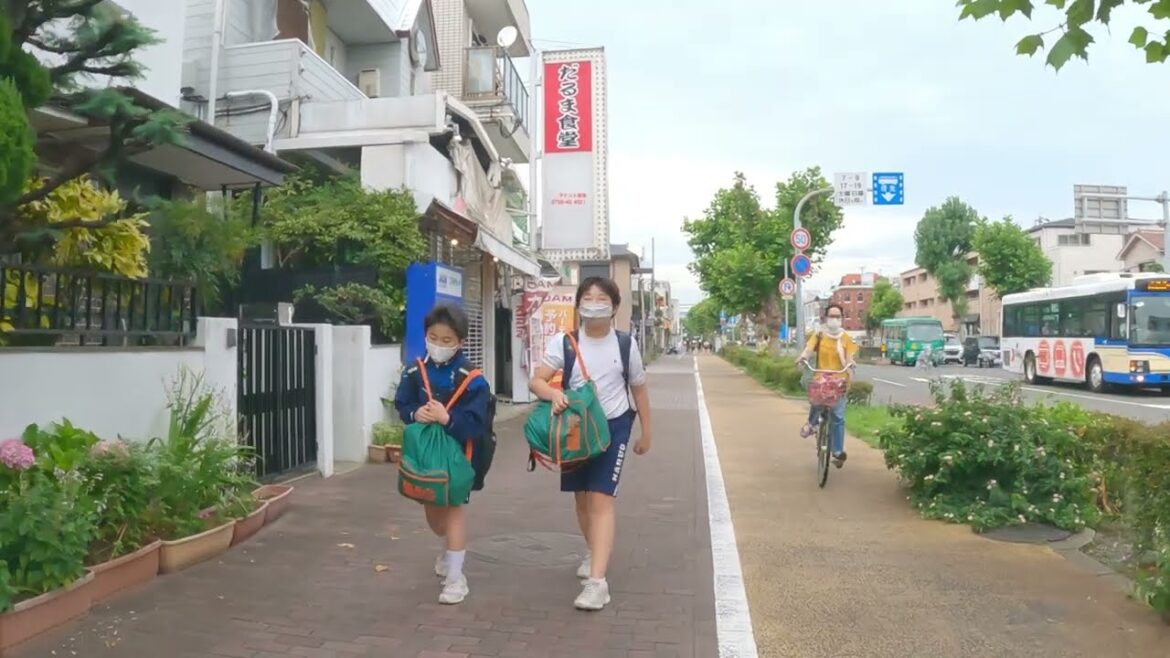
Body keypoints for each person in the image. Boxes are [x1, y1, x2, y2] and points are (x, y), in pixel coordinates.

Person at [528, 277, 652, 611]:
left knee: (600, 500)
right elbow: (536, 380)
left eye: (602, 298)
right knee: (582, 501)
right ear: (578, 304)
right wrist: (554, 393)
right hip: (576, 427)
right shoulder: (564, 343)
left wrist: (647, 432)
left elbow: (639, 388)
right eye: (588, 296)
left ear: (614, 306)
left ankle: (598, 583)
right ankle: (593, 548)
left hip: (614, 427)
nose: (594, 302)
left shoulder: (626, 345)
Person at [394, 304, 491, 606]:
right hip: (426, 459)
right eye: (433, 337)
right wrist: (415, 412)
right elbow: (402, 404)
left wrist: (448, 419)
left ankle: (455, 579)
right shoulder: (414, 371)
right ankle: (449, 549)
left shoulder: (473, 379)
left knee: (453, 511)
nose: (438, 344)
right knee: (435, 517)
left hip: (460, 457)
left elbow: (478, 424)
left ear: (460, 341)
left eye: (446, 340)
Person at [797, 303, 858, 468]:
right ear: (825, 318)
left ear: (842, 319)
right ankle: (812, 424)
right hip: (821, 377)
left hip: (840, 380)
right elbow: (809, 349)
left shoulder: (846, 338)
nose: (835, 320)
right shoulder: (819, 335)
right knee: (817, 400)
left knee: (838, 417)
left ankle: (838, 452)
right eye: (832, 316)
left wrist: (851, 363)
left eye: (838, 316)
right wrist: (803, 357)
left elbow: (850, 356)